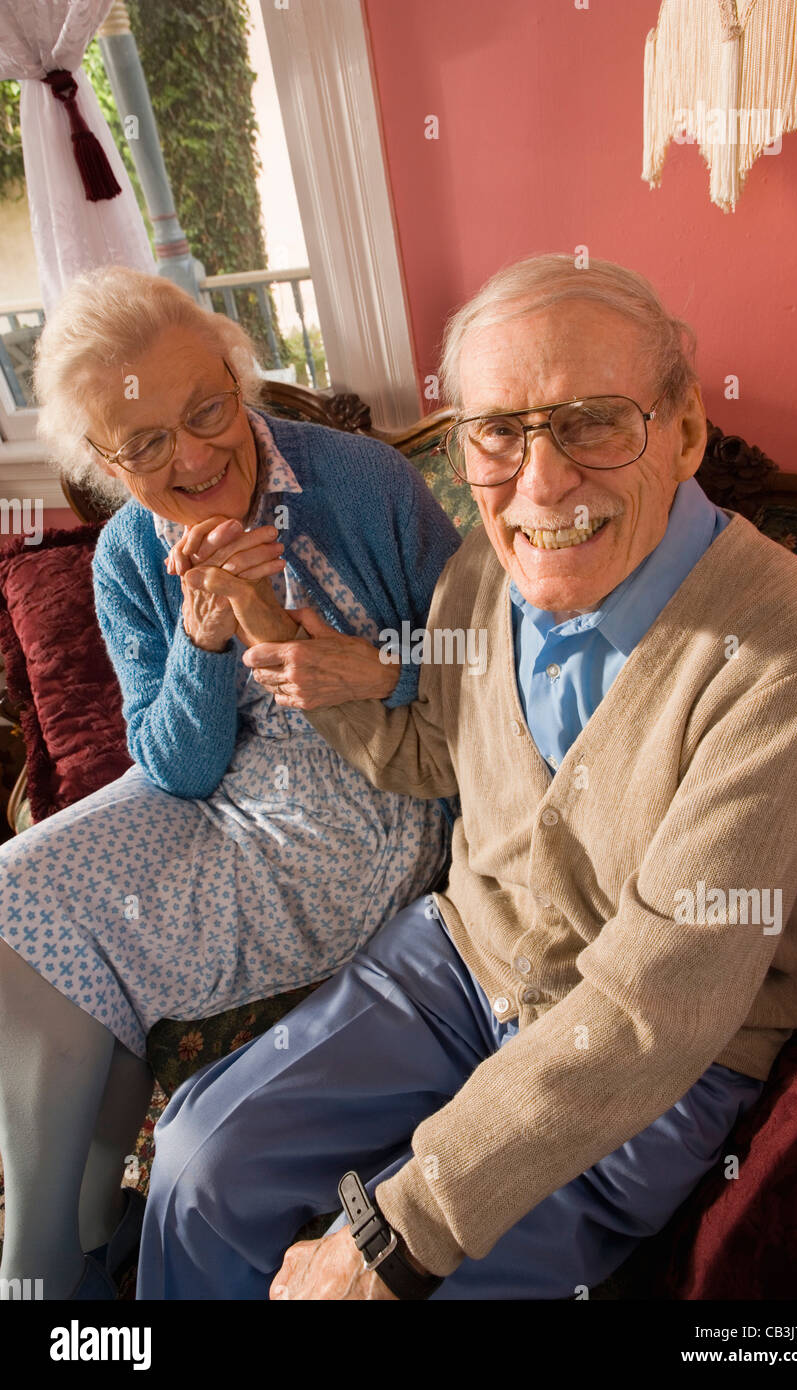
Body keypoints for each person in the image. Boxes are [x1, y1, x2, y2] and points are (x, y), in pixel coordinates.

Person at [136, 254, 797, 1301]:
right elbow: (436, 757)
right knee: (199, 1160)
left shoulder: (791, 638)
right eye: (499, 431)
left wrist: (390, 1235)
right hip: (455, 961)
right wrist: (287, 645)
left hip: (653, 1058)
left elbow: (658, 999)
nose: (541, 480)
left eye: (592, 421)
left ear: (685, 432)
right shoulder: (485, 567)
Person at [0, 265, 461, 1300]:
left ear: (237, 373)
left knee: (91, 947)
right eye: (146, 445)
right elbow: (171, 767)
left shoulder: (361, 483)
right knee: (13, 895)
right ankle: (65, 1245)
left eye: (207, 409)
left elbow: (492, 658)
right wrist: (203, 639)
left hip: (369, 804)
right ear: (106, 464)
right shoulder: (126, 554)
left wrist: (378, 666)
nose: (196, 454)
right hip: (219, 806)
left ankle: (42, 1271)